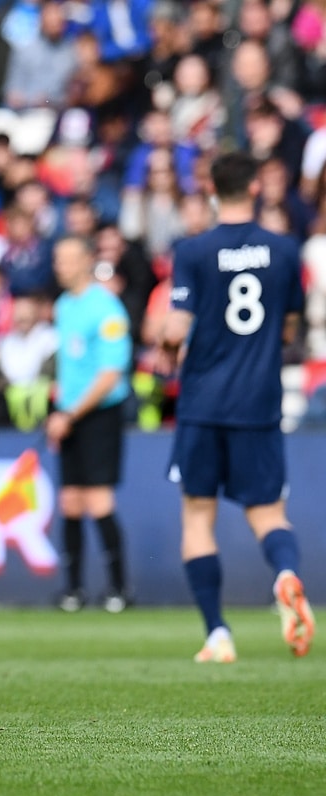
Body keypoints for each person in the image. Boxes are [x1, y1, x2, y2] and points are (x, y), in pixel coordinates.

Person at [159, 151, 315, 663]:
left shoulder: (195, 250)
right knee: (268, 513)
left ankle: (218, 635)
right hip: (259, 402)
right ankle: (286, 576)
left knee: (197, 518)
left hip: (204, 401)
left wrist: (166, 345)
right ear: (254, 188)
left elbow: (177, 327)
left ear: (212, 190)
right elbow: (291, 325)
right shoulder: (286, 250)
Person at [44, 235, 133, 614]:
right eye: (57, 259)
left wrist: (70, 414)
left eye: (67, 258)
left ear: (86, 261)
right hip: (69, 415)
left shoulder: (107, 308)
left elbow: (111, 374)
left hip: (96, 415)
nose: (59, 266)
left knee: (99, 500)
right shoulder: (65, 305)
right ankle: (74, 590)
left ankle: (118, 589)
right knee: (70, 501)